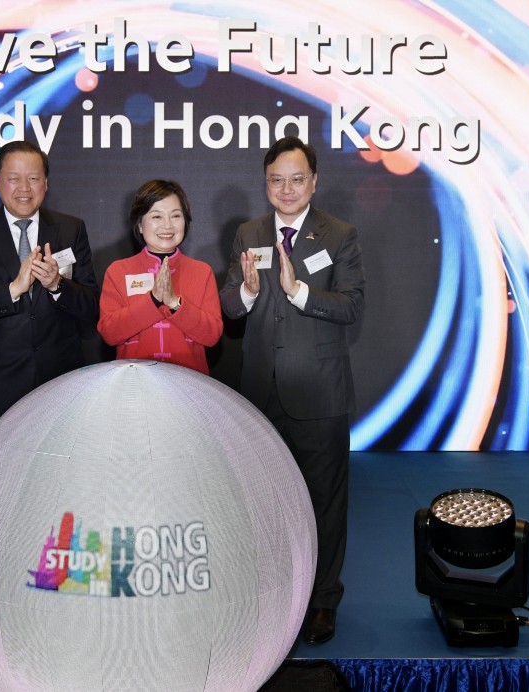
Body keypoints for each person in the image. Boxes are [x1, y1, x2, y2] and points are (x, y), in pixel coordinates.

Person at [220, 136, 366, 644]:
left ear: (314, 181)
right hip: (260, 394)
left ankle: (323, 601)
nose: (286, 188)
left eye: (297, 178)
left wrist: (299, 291)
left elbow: (351, 307)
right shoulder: (249, 232)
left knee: (324, 502)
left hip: (319, 394)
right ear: (266, 183)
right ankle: (274, 593)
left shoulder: (339, 234)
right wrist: (246, 291)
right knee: (263, 502)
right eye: (277, 179)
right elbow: (228, 309)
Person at [0, 140, 99, 444]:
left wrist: (57, 286)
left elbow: (92, 305)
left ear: (46, 183)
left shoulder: (71, 228)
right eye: (14, 178)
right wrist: (13, 289)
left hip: (60, 382)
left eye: (34, 178)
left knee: (55, 477)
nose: (24, 187)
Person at [97, 179, 222, 374]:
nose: (167, 225)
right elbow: (110, 333)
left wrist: (175, 303)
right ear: (140, 224)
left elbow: (212, 335)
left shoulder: (202, 272)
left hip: (188, 382)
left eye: (175, 216)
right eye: (156, 216)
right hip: (135, 384)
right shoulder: (118, 271)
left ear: (185, 222)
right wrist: (153, 300)